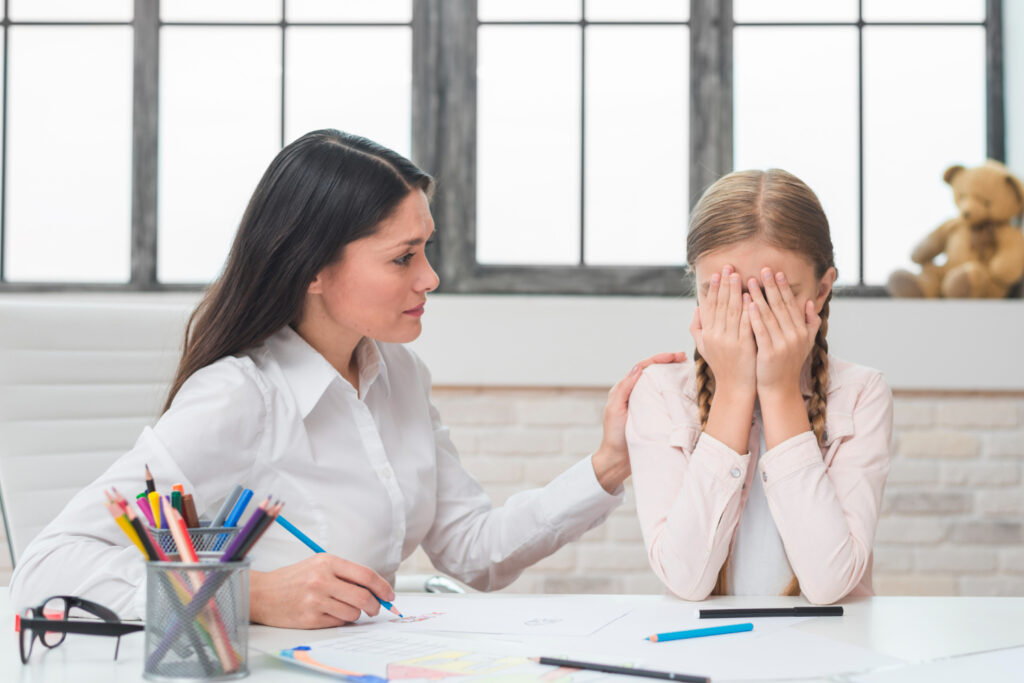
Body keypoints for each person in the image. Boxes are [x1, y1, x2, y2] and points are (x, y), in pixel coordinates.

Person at [10, 129, 684, 628]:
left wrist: (608, 462)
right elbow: (46, 570)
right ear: (313, 270)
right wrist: (251, 596)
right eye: (403, 257)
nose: (431, 277)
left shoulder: (400, 375)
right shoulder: (239, 399)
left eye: (428, 248)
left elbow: (476, 550)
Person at [625, 169, 893, 605]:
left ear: (822, 290)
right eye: (724, 294)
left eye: (773, 295)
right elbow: (686, 579)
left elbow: (829, 583)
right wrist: (732, 391)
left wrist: (780, 390)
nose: (749, 318)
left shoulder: (862, 393)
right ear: (696, 286)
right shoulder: (661, 392)